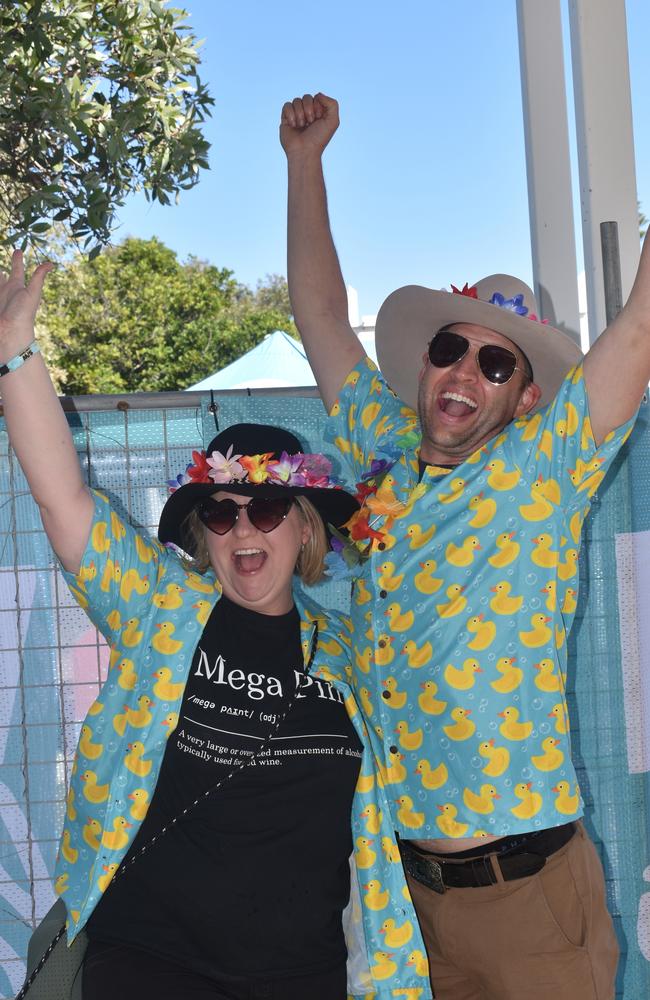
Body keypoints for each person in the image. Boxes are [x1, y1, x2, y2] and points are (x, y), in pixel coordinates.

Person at [281, 91, 650, 1000]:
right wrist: (304, 164)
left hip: (527, 902)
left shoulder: (543, 469)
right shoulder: (383, 452)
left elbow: (640, 326)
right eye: (453, 348)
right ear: (424, 364)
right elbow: (323, 319)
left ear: (526, 399)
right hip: (406, 907)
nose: (466, 372)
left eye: (498, 364)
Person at [1, 252, 433, 1000]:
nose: (241, 530)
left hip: (304, 973)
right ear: (203, 534)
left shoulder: (356, 652)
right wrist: (14, 352)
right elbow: (64, 499)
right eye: (221, 513)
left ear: (304, 529)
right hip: (150, 960)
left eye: (264, 509)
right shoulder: (162, 611)